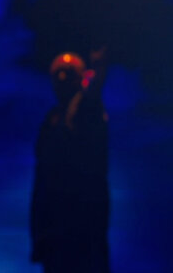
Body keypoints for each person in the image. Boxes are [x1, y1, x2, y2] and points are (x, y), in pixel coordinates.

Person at [30, 49, 110, 273]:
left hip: (84, 224)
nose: (63, 83)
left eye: (69, 77)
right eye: (59, 78)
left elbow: (91, 98)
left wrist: (99, 72)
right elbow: (41, 180)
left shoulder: (87, 111)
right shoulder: (52, 120)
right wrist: (38, 234)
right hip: (55, 227)